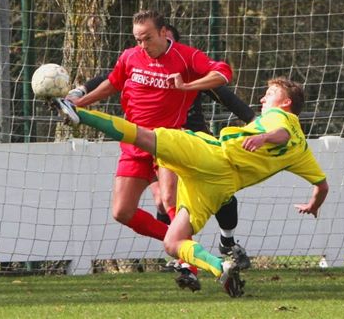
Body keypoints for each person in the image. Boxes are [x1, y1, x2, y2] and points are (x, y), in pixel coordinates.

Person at [52, 76, 329, 297]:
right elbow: (322, 185)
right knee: (173, 243)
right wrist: (313, 205)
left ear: (286, 102)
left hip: (212, 156)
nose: (262, 98)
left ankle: (79, 114)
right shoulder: (303, 151)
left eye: (269, 95)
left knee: (143, 136)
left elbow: (280, 133)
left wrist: (265, 138)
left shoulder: (281, 118)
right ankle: (221, 267)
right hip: (218, 186)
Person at [69, 24, 255, 278]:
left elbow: (223, 91)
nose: (146, 45)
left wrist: (255, 120)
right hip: (141, 141)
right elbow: (112, 78)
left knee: (202, 195)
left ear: (167, 39)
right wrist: (79, 95)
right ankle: (184, 249)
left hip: (185, 141)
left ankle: (223, 243)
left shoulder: (187, 64)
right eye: (140, 39)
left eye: (151, 39)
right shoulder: (135, 58)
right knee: (133, 208)